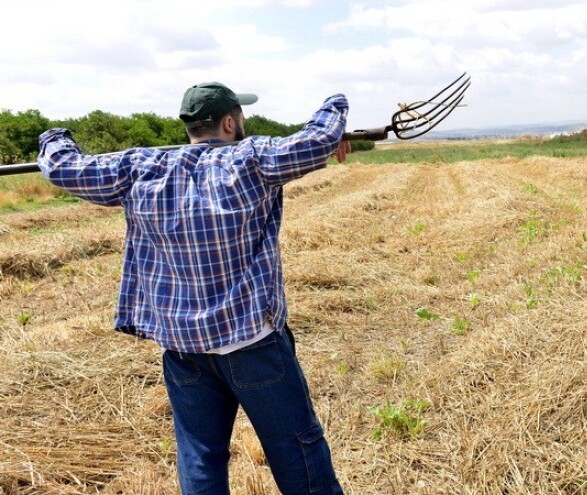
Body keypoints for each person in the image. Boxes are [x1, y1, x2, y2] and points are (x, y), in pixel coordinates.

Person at [37, 82, 351, 494]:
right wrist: (336, 104)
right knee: (297, 450)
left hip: (183, 350)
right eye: (240, 116)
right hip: (252, 343)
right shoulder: (252, 159)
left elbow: (64, 168)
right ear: (228, 121)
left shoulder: (139, 167)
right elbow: (318, 138)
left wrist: (55, 137)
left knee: (200, 456)